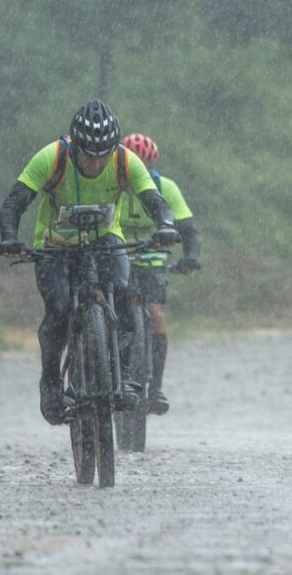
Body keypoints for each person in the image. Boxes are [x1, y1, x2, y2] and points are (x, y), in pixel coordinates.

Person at [0, 100, 180, 426]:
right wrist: (10, 237)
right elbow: (14, 203)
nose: (95, 162)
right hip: (54, 245)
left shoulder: (125, 161)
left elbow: (155, 201)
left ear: (113, 148)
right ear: (74, 145)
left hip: (106, 240)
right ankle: (51, 382)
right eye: (88, 154)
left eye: (102, 154)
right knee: (60, 308)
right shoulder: (52, 158)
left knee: (124, 293)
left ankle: (122, 374)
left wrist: (166, 225)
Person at [119, 132, 201, 415]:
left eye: (145, 165)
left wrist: (191, 257)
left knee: (156, 314)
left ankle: (156, 388)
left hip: (153, 260)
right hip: (120, 256)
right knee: (118, 310)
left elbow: (188, 228)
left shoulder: (165, 187)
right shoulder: (113, 185)